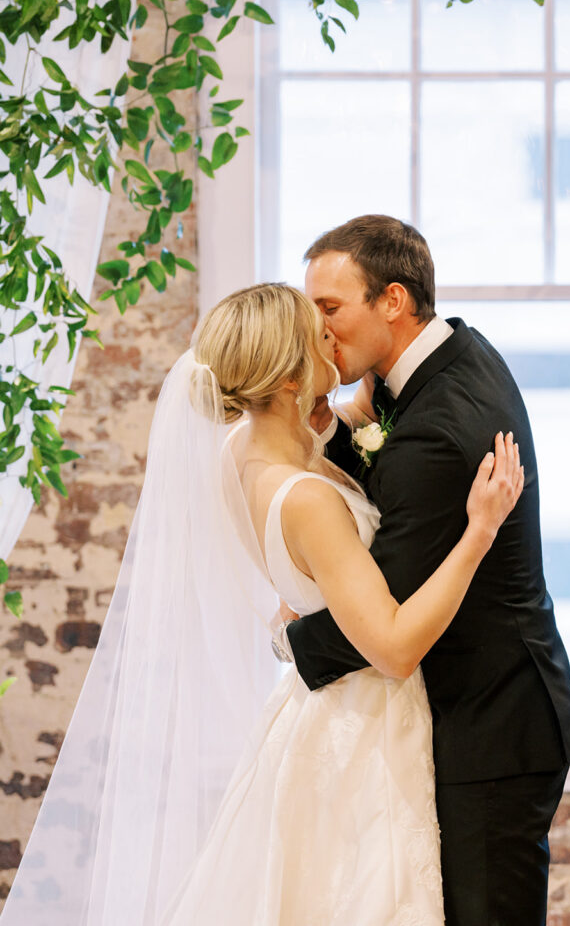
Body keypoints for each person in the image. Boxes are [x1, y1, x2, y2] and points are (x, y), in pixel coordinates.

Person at [1, 283, 523, 926]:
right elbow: (393, 648)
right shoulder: (309, 501)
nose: (332, 343)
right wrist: (480, 531)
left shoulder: (237, 456)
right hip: (365, 723)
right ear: (290, 377)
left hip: (311, 711)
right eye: (320, 336)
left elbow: (291, 590)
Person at [284, 214, 570, 926]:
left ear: (392, 300)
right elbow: (394, 475)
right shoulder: (454, 353)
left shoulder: (440, 431)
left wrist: (288, 639)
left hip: (493, 725)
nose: (318, 331)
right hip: (498, 702)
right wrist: (334, 429)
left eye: (330, 308)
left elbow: (384, 616)